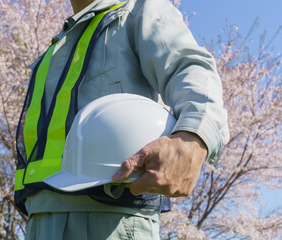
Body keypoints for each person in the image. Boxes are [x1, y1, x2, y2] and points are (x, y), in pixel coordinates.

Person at [14, 0, 230, 239]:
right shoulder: (56, 48)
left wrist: (194, 137)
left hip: (111, 219)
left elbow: (190, 68)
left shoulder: (138, 10)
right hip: (40, 219)